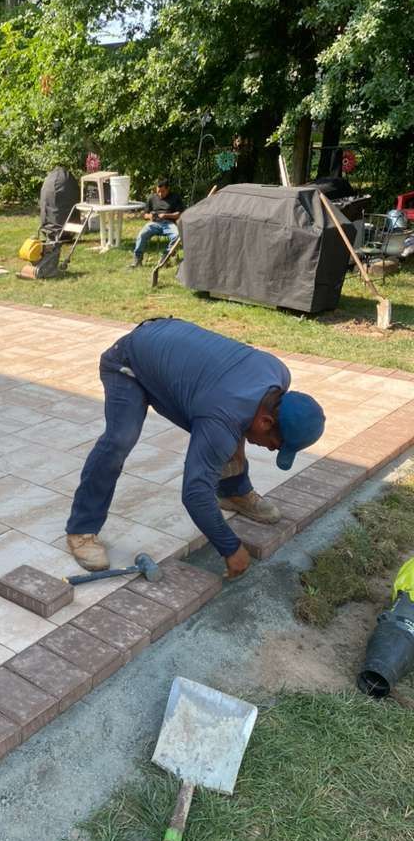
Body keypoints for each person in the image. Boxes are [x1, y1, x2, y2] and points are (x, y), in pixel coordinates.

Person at [65, 319, 325, 580]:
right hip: (127, 362)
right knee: (120, 439)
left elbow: (235, 413)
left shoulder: (277, 374)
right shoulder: (224, 414)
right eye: (275, 445)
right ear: (266, 422)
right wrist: (230, 547)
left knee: (231, 426)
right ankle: (82, 529)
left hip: (165, 346)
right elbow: (195, 492)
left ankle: (233, 492)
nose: (271, 450)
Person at [132, 179, 185, 267]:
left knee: (177, 236)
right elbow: (145, 214)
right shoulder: (152, 198)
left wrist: (166, 215)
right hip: (154, 223)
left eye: (163, 191)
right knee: (142, 234)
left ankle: (165, 257)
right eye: (158, 191)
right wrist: (150, 216)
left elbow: (179, 214)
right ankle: (137, 259)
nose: (160, 194)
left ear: (168, 189)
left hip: (169, 223)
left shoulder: (175, 197)